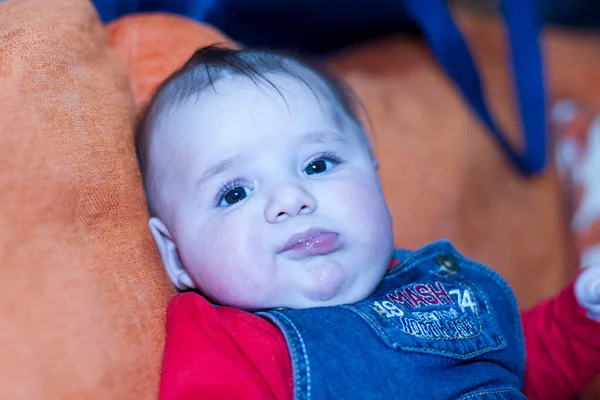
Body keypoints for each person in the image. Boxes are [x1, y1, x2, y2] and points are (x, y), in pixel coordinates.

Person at [134, 45, 600, 399]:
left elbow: (523, 365)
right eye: (234, 193)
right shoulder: (231, 345)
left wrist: (581, 315)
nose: (292, 199)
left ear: (375, 177)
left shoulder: (441, 288)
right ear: (175, 255)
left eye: (318, 165)